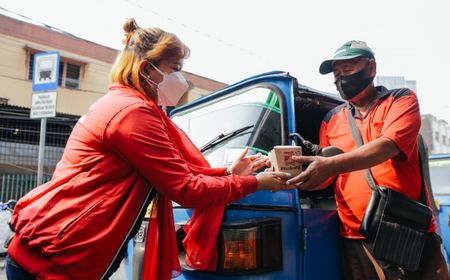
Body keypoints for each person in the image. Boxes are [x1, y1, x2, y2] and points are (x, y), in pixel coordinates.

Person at [6, 18, 292, 280]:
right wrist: (254, 183)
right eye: (175, 70)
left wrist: (229, 172)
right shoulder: (132, 113)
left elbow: (171, 169)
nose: (182, 80)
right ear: (147, 69)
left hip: (55, 250)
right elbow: (186, 188)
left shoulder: (123, 104)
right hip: (53, 259)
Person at [287, 40, 449, 279]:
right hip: (355, 237)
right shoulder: (331, 119)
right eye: (336, 74)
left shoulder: (401, 100)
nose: (341, 78)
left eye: (348, 70)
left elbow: (388, 146)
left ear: (371, 68)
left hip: (405, 230)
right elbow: (328, 176)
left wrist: (328, 164)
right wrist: (304, 177)